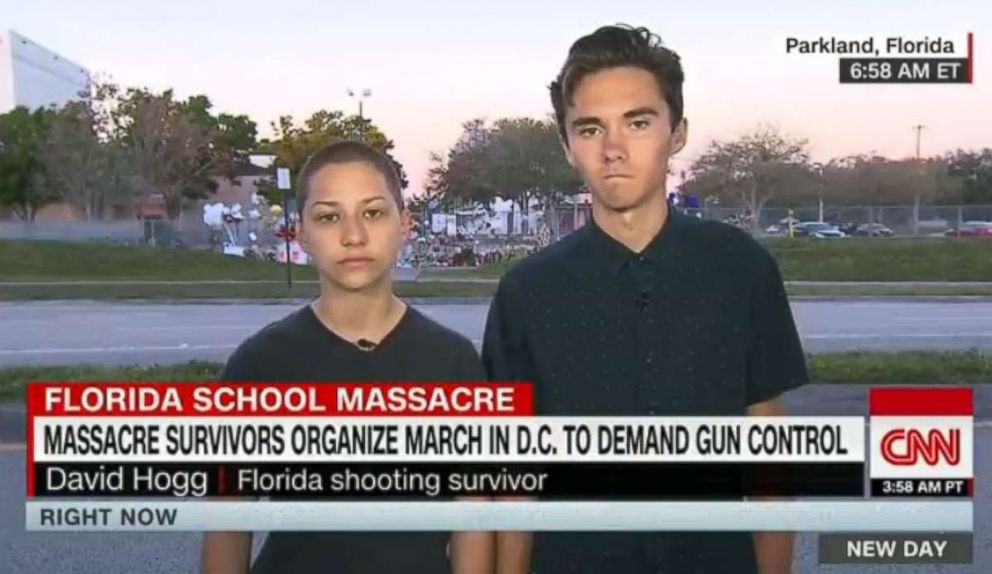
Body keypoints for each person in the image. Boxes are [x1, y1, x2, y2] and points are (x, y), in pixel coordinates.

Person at [483, 24, 808, 574]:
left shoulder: (742, 269)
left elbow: (769, 466)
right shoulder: (527, 292)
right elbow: (515, 484)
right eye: (589, 128)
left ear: (676, 132)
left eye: (637, 122)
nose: (613, 149)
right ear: (566, 145)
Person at [200, 141, 494, 574]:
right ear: (301, 232)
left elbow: (473, 521)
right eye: (329, 216)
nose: (353, 235)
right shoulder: (260, 366)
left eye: (372, 212)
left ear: (404, 223)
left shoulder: (453, 363)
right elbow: (227, 525)